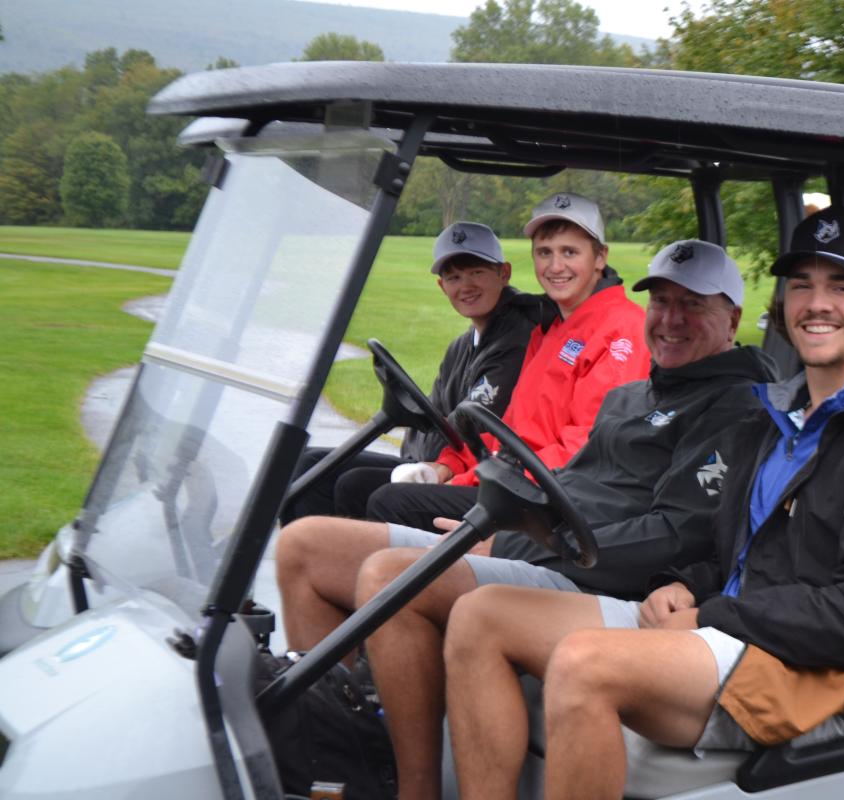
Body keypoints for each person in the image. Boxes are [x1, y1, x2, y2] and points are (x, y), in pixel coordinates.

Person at [443, 206, 844, 800]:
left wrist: (714, 614)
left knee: (582, 663)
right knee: (481, 614)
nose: (818, 303)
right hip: (737, 628)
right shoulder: (781, 414)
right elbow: (744, 547)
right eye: (803, 286)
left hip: (816, 670)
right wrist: (688, 584)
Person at [275, 240, 776, 800]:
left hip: (595, 575)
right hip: (544, 546)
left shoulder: (738, 405)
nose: (670, 319)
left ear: (731, 317)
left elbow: (674, 534)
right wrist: (499, 522)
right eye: (661, 301)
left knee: (391, 576)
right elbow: (571, 485)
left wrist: (522, 545)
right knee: (306, 546)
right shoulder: (633, 395)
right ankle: (336, 756)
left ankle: (412, 788)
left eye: (693, 304)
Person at [354, 191, 651, 529]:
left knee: (389, 503)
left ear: (600, 257)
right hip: (518, 480)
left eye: (570, 252)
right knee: (357, 487)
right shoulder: (552, 329)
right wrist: (447, 466)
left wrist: (477, 478)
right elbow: (506, 428)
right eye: (544, 253)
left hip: (553, 499)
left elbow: (586, 448)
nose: (555, 267)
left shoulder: (621, 331)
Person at [279, 221, 542, 523]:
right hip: (429, 464)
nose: (465, 286)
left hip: (472, 472)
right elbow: (437, 418)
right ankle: (307, 561)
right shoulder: (462, 345)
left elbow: (470, 425)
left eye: (476, 272)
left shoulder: (518, 338)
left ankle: (346, 562)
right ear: (442, 287)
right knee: (310, 463)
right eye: (453, 277)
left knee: (353, 485)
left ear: (503, 273)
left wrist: (430, 459)